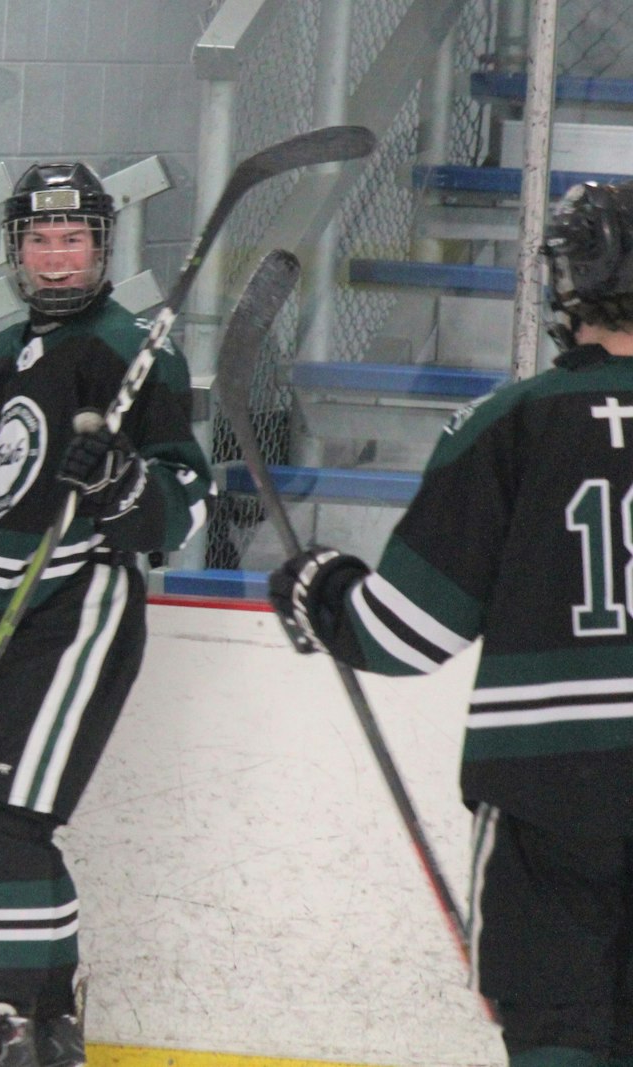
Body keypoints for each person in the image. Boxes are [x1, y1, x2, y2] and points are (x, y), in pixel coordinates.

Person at [268, 181, 633, 1067]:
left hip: (549, 794)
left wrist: (321, 591)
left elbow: (402, 634)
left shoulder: (510, 423)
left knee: (559, 1033)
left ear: (569, 282)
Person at [0, 162, 213, 1067]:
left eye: (75, 240)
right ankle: (49, 1029)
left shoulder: (132, 347)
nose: (57, 260)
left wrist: (128, 483)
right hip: (0, 610)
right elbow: (8, 493)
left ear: (101, 245)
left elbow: (186, 492)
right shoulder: (2, 351)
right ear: (17, 249)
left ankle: (8, 1024)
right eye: (41, 241)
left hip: (76, 602)